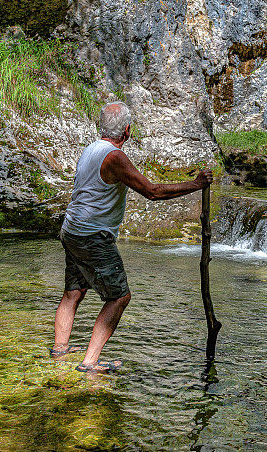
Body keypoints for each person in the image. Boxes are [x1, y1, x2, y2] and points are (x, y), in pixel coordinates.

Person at [51, 101, 213, 373]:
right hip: (92, 235)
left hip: (72, 230)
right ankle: (90, 363)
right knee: (119, 297)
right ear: (127, 130)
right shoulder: (114, 157)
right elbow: (152, 191)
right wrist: (195, 185)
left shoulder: (90, 149)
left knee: (74, 292)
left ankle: (60, 350)